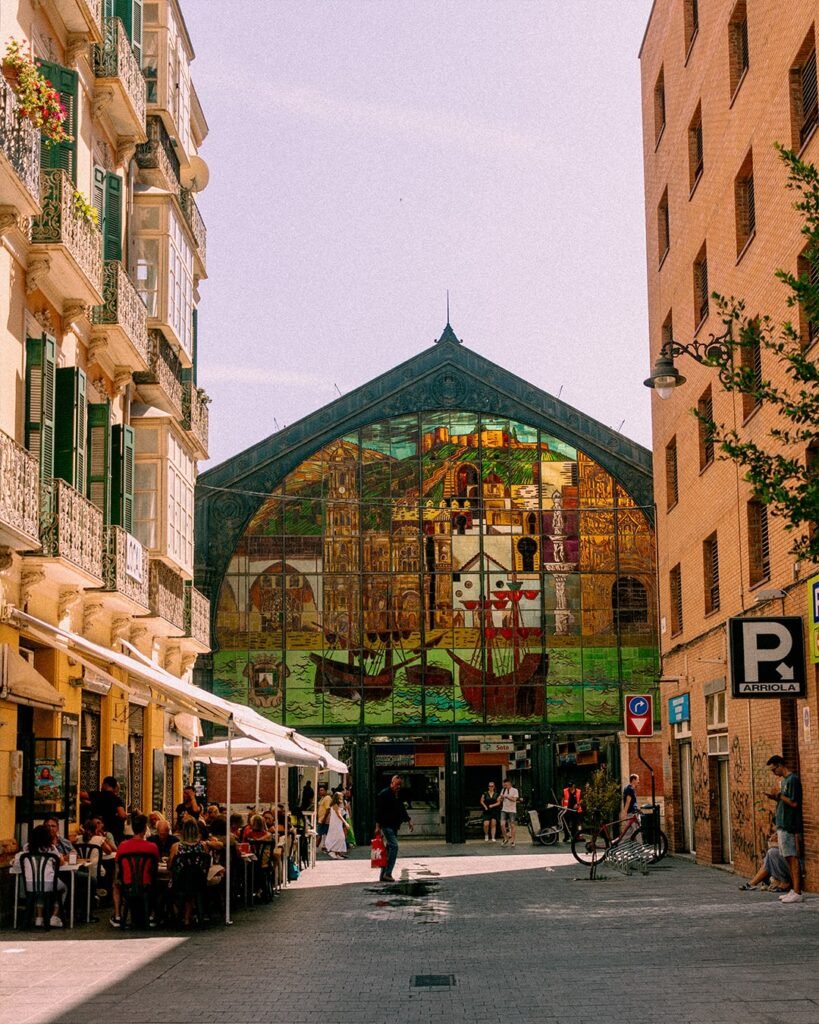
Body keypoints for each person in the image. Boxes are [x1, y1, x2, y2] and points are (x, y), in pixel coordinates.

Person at [110, 812, 159, 928]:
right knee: (160, 885)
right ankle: (153, 915)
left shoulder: (122, 846)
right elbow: (155, 865)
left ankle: (117, 915)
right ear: (145, 829)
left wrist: (117, 879)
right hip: (146, 884)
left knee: (115, 886)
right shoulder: (152, 847)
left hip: (127, 885)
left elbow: (118, 866)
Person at [766, 755, 803, 903]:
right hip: (782, 824)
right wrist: (775, 797)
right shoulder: (784, 781)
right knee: (787, 857)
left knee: (793, 858)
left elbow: (794, 803)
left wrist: (779, 795)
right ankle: (794, 889)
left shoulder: (792, 780)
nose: (774, 772)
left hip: (789, 825)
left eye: (774, 769)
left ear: (780, 765)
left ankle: (798, 892)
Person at [18, 823, 66, 927]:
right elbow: (60, 862)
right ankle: (54, 916)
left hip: (30, 885)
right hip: (49, 883)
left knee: (39, 891)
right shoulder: (51, 848)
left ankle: (39, 918)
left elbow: (17, 861)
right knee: (63, 888)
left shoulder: (26, 848)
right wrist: (60, 855)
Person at [375, 774, 413, 882]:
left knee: (388, 850)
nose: (398, 787)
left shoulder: (398, 795)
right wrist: (377, 826)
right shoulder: (384, 794)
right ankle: (388, 873)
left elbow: (401, 809)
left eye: (400, 785)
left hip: (394, 825)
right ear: (392, 783)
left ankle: (383, 875)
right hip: (386, 825)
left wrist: (408, 820)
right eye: (397, 784)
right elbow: (379, 811)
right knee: (394, 846)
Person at [90, 776, 127, 845]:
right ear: (115, 788)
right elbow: (122, 815)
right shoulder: (117, 800)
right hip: (115, 833)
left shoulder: (97, 796)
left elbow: (82, 795)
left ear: (105, 785)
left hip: (102, 833)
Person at [325, 792, 350, 859]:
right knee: (339, 837)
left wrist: (345, 808)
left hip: (338, 823)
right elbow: (338, 814)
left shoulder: (339, 805)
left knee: (340, 837)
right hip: (335, 823)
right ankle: (331, 850)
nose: (342, 797)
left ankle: (337, 852)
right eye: (341, 796)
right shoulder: (335, 805)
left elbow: (342, 813)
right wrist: (345, 822)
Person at [500, 777, 519, 847]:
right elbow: (501, 799)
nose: (505, 786)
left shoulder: (515, 790)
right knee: (502, 824)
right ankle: (506, 838)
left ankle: (513, 841)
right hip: (504, 809)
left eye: (506, 785)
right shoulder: (503, 790)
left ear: (509, 784)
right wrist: (501, 798)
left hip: (512, 810)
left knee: (512, 825)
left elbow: (514, 799)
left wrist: (507, 796)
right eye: (504, 785)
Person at [316, 784, 332, 852]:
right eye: (320, 790)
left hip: (324, 820)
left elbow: (328, 809)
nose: (320, 791)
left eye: (322, 790)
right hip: (321, 819)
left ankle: (316, 848)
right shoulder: (322, 798)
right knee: (322, 834)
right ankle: (324, 847)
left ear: (326, 791)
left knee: (319, 834)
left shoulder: (327, 798)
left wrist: (324, 819)